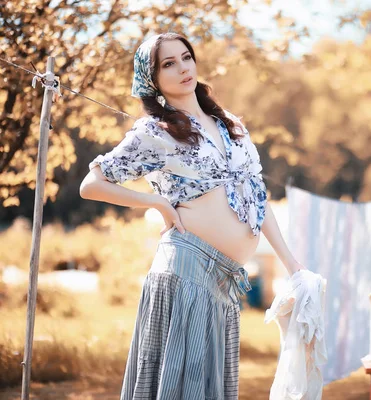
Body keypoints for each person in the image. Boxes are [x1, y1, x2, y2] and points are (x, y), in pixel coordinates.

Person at [79, 32, 306, 400]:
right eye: (168, 63)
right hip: (185, 269)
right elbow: (91, 185)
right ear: (152, 78)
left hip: (223, 280)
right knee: (183, 387)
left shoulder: (231, 125)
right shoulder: (154, 132)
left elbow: (257, 198)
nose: (183, 68)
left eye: (186, 57)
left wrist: (291, 264)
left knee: (207, 387)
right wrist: (157, 204)